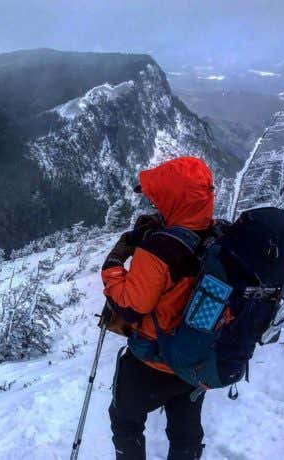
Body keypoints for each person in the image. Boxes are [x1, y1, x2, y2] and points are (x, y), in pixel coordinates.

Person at [101, 156, 215, 460]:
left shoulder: (159, 250)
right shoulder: (217, 237)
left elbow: (129, 307)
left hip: (151, 363)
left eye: (159, 198)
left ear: (174, 199)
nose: (154, 203)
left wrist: (112, 265)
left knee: (125, 421)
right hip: (195, 361)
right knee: (186, 431)